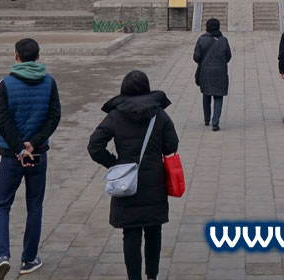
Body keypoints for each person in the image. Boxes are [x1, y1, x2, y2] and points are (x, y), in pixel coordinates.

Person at [88, 70, 179, 280]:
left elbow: (94, 146)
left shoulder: (116, 115)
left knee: (131, 234)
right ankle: (152, 276)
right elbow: (171, 145)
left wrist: (115, 164)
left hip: (126, 183)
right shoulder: (159, 114)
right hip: (154, 180)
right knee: (154, 232)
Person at [0, 38, 62, 280]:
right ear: (38, 57)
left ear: (16, 56)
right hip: (38, 153)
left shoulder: (6, 84)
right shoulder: (49, 83)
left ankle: (2, 255)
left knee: (1, 205)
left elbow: (2, 122)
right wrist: (34, 142)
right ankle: (29, 259)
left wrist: (20, 148)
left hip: (11, 155)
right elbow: (54, 117)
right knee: (34, 205)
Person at [193, 17, 231, 131]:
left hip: (205, 71)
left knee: (206, 94)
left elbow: (196, 57)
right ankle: (215, 122)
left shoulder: (202, 39)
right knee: (218, 96)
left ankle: (206, 119)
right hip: (220, 72)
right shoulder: (223, 40)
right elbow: (228, 56)